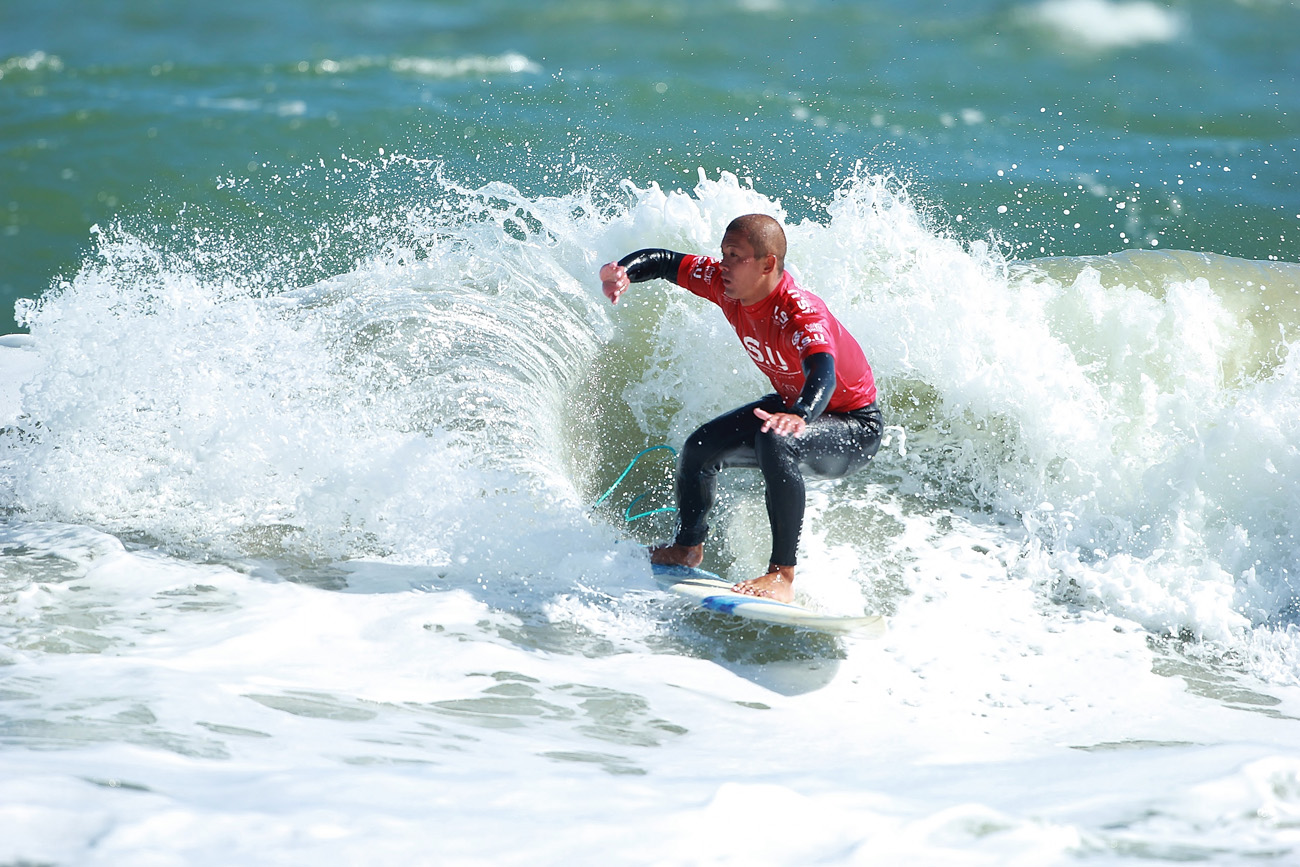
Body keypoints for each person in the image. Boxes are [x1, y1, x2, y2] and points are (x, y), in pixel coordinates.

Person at [599, 214, 883, 603]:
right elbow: (665, 262)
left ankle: (781, 575)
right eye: (723, 253)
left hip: (853, 427)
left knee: (776, 439)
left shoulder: (800, 312)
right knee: (700, 448)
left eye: (736, 256)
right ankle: (687, 548)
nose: (724, 264)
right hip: (792, 406)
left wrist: (800, 414)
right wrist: (623, 272)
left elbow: (824, 373)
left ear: (767, 264)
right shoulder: (725, 285)